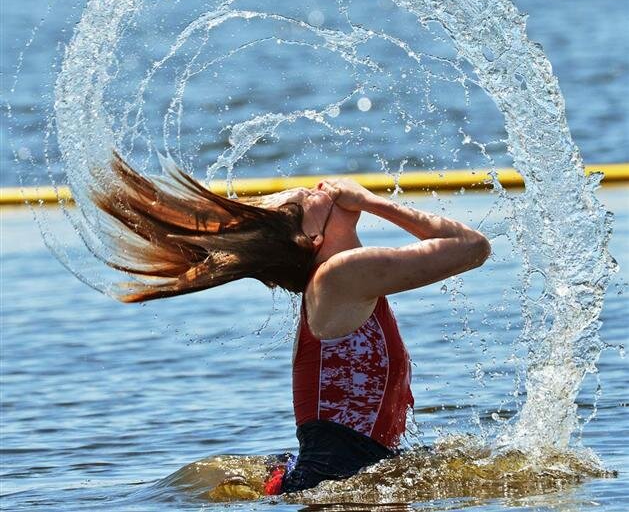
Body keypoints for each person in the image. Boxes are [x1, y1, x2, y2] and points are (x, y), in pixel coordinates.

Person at [91, 151, 491, 495]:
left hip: (337, 474)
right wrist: (371, 201)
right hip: (331, 482)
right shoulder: (341, 274)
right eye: (306, 201)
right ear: (311, 237)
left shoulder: (338, 281)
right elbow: (473, 247)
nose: (319, 188)